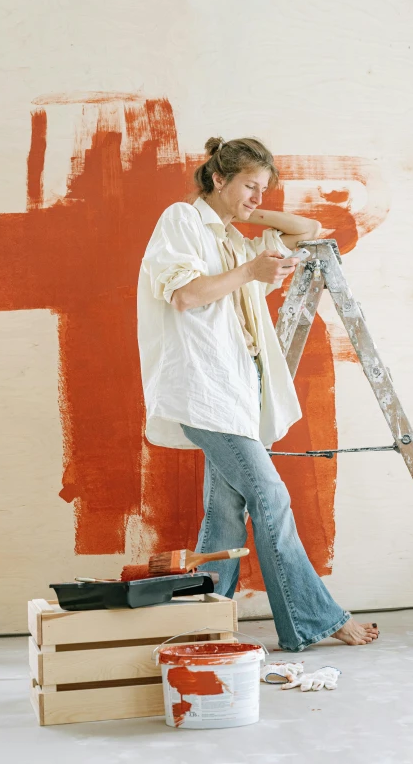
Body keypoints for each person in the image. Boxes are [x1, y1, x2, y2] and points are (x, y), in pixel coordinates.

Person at [137, 136, 379, 652]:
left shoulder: (234, 241)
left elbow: (309, 230)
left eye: (263, 188)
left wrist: (246, 211)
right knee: (269, 495)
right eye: (249, 184)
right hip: (202, 390)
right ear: (217, 178)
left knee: (225, 512)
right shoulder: (181, 221)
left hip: (236, 391)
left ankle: (205, 623)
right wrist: (249, 267)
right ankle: (317, 617)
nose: (257, 196)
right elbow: (184, 295)